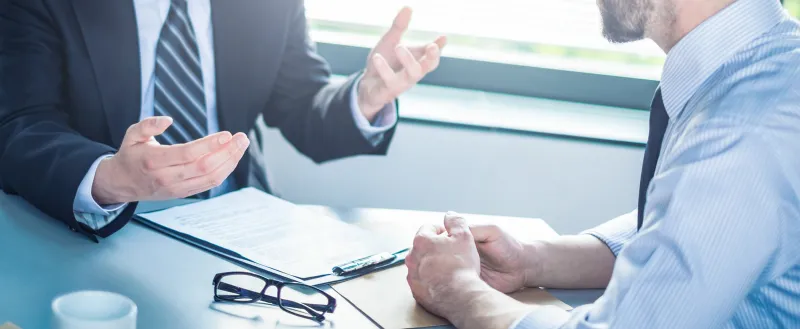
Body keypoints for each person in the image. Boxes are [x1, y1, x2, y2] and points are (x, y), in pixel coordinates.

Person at [406, 0, 800, 328]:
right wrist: (531, 259)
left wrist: (457, 290)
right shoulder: (766, 67)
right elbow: (689, 224)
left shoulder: (742, 129)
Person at [0, 1, 445, 241]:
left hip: (240, 227)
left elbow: (301, 106)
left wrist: (364, 99)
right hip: (99, 226)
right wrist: (110, 178)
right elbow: (21, 123)